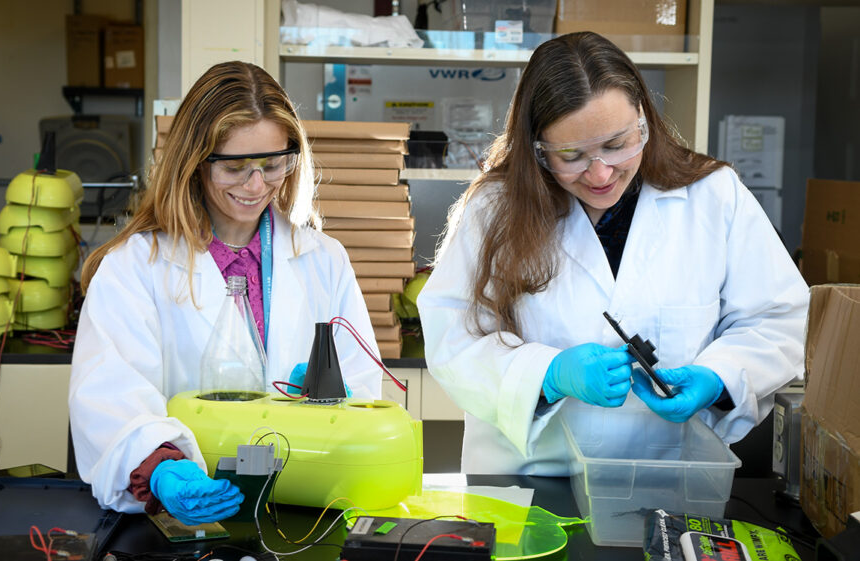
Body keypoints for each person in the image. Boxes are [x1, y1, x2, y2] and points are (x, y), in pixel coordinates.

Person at [416, 32, 809, 475]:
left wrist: (720, 376)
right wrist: (547, 374)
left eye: (616, 145)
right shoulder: (495, 208)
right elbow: (453, 338)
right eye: (572, 155)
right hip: (532, 482)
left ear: (643, 120)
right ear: (537, 149)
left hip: (670, 479)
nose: (600, 173)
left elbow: (779, 318)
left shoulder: (713, 195)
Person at [69, 61, 383, 521]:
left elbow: (363, 387)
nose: (256, 186)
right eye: (234, 167)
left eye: (273, 164)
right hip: (183, 511)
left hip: (302, 505)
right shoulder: (136, 267)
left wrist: (329, 400)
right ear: (194, 162)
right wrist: (162, 468)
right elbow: (110, 394)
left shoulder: (324, 259)